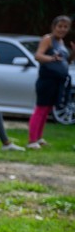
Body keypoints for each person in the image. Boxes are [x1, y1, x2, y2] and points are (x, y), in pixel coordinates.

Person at [27, 15, 72, 149]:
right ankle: (32, 140)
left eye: (65, 27)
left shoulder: (61, 42)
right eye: (60, 26)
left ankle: (39, 137)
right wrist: (51, 58)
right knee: (40, 109)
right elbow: (38, 56)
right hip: (46, 80)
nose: (62, 29)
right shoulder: (48, 39)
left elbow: (63, 61)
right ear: (53, 27)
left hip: (57, 81)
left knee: (47, 110)